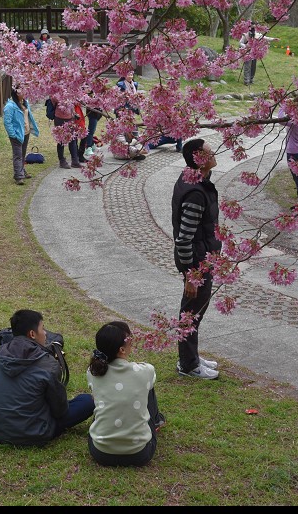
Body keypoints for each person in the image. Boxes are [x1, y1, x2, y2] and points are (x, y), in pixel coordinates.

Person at [0, 309, 94, 446]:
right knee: (87, 401)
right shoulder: (48, 364)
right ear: (32, 334)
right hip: (36, 432)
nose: (45, 333)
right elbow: (60, 410)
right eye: (43, 328)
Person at [172, 139, 223, 380]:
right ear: (198, 158)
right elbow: (184, 238)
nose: (214, 153)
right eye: (209, 151)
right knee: (191, 312)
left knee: (194, 310)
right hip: (197, 262)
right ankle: (188, 364)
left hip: (202, 257)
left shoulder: (195, 181)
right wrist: (191, 274)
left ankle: (190, 356)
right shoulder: (195, 192)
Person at [86, 321, 164, 467]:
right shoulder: (145, 371)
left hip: (101, 453)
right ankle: (157, 420)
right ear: (122, 349)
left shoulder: (93, 372)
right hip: (140, 454)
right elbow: (147, 379)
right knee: (148, 387)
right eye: (130, 339)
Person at [3, 87, 40, 185]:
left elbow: (28, 116)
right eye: (22, 92)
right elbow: (7, 122)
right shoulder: (10, 106)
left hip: (25, 133)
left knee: (22, 154)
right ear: (16, 93)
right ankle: (18, 176)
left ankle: (22, 171)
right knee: (18, 155)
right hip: (16, 135)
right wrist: (12, 134)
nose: (24, 93)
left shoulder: (24, 102)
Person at [52, 98, 82, 169]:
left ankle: (75, 161)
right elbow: (53, 100)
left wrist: (74, 113)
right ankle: (62, 161)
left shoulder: (70, 91)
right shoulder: (57, 91)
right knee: (61, 140)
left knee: (73, 140)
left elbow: (72, 104)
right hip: (59, 118)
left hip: (70, 118)